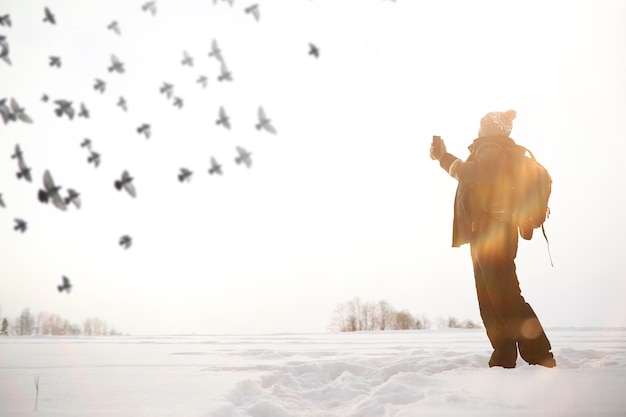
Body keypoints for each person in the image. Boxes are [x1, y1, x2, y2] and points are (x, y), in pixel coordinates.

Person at [430, 110, 556, 368]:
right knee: (492, 298)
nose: (479, 130)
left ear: (487, 129)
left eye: (482, 126)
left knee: (505, 296)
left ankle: (539, 354)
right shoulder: (497, 150)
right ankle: (504, 355)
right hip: (489, 234)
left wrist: (443, 157)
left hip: (492, 235)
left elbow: (477, 174)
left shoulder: (490, 149)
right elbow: (477, 174)